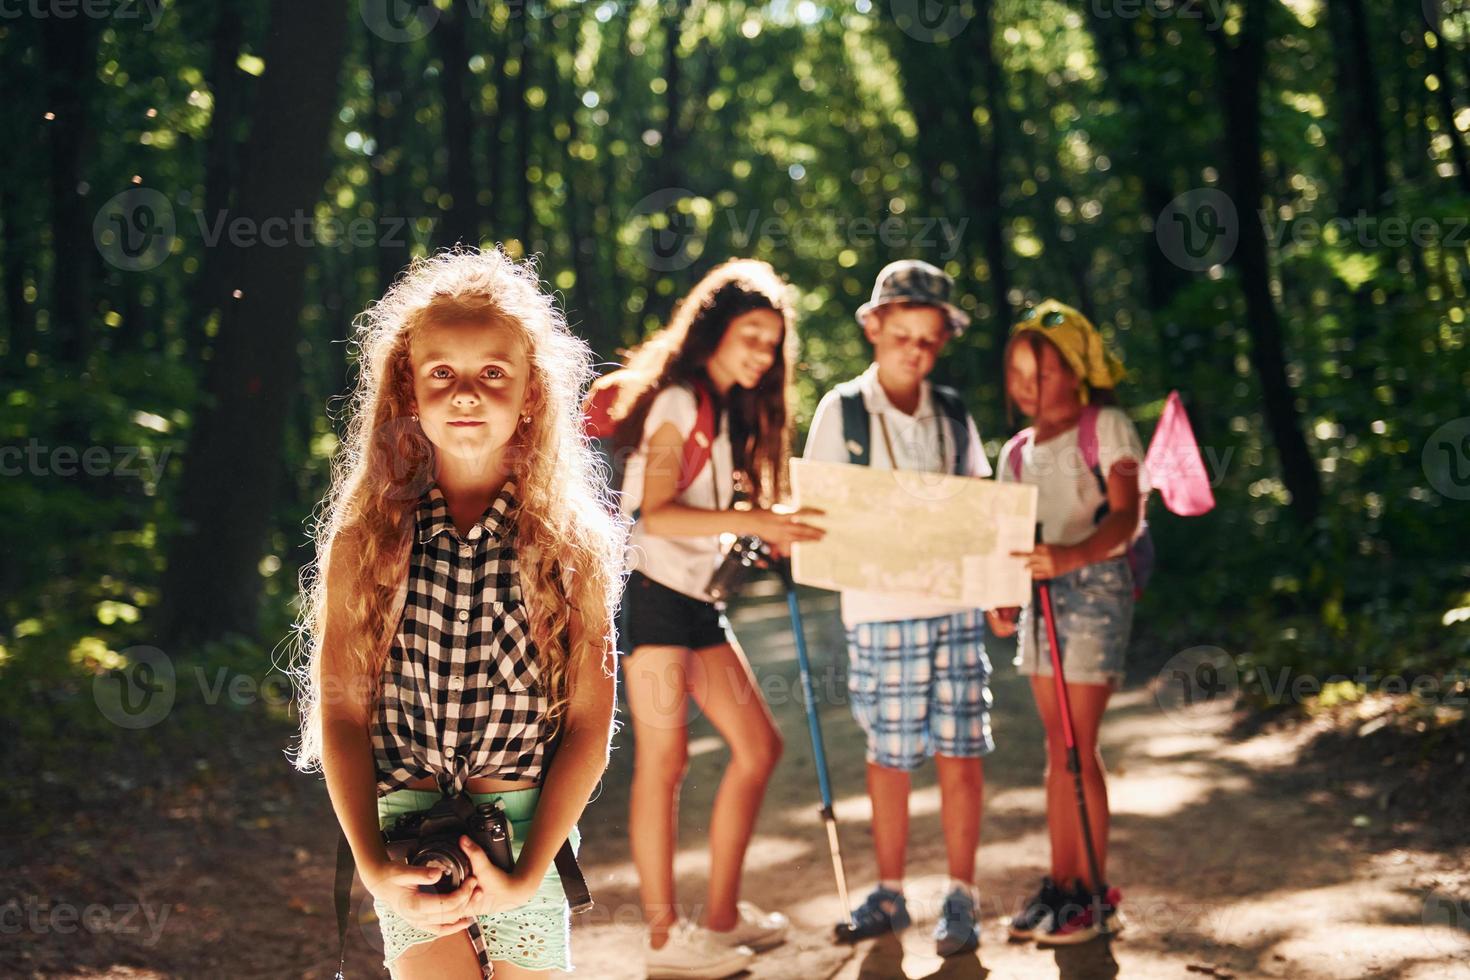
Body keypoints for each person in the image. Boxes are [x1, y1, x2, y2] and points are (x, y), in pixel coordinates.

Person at [290, 248, 625, 979]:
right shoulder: (366, 537)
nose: (466, 392)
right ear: (408, 388)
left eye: (493, 374)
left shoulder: (573, 545)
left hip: (523, 830)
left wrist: (531, 871)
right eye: (442, 372)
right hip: (405, 835)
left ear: (532, 392)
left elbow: (590, 726)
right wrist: (375, 869)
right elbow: (342, 716)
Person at [588, 258, 824, 980]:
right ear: (714, 330)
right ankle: (664, 944)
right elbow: (657, 510)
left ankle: (719, 921)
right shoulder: (680, 402)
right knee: (666, 763)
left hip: (695, 599)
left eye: (772, 341)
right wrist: (757, 517)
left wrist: (753, 531)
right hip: (651, 593)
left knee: (758, 747)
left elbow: (700, 516)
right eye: (750, 334)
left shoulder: (725, 410)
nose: (762, 352)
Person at [803, 259, 995, 958]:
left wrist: (998, 588)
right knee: (890, 755)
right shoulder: (843, 411)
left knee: (961, 749)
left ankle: (961, 895)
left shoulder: (952, 413)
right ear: (873, 328)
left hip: (956, 605)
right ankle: (890, 891)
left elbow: (983, 508)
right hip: (881, 608)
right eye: (902, 334)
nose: (915, 349)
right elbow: (820, 511)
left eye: (929, 339)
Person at [990, 299, 1148, 945]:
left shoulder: (1106, 425)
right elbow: (1005, 538)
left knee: (1078, 749)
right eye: (1020, 375)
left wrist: (1072, 555)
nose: (1032, 387)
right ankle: (1061, 887)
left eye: (1045, 372)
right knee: (1058, 751)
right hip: (1040, 596)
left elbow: (1126, 515)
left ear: (1077, 368)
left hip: (1095, 587)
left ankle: (1092, 894)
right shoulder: (1016, 452)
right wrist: (1000, 596)